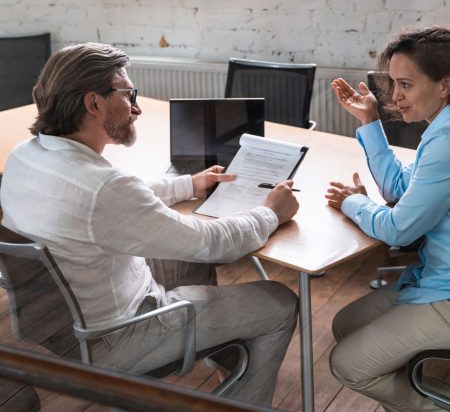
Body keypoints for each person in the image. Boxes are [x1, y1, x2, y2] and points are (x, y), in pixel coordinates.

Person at [0, 42, 300, 407]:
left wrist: (188, 184)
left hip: (64, 324)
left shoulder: (26, 155)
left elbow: (120, 200)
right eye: (129, 95)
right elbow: (211, 241)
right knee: (279, 301)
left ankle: (227, 353)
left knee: (192, 261)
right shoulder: (104, 189)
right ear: (93, 104)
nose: (137, 107)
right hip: (116, 338)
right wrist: (272, 212)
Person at [325, 26, 450, 412]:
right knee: (346, 325)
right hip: (433, 278)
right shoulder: (439, 130)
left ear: (444, 85)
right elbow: (399, 190)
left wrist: (353, 205)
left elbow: (400, 226)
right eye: (393, 83)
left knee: (347, 365)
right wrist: (369, 121)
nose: (395, 96)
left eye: (406, 85)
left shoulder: (446, 140)